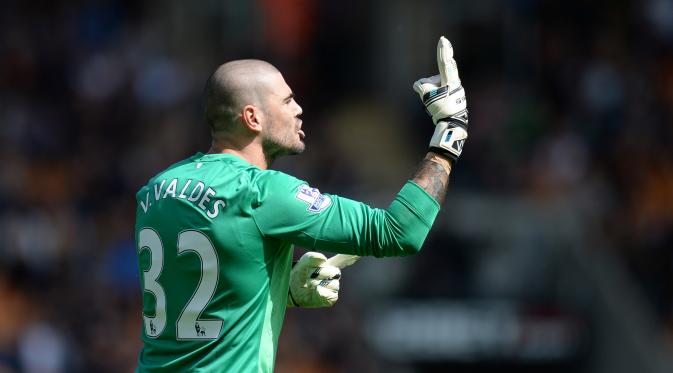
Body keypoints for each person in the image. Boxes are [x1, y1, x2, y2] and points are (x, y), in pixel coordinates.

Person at [134, 36, 468, 372]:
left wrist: (281, 293)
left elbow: (194, 299)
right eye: (288, 100)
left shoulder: (154, 190)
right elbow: (399, 232)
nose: (299, 109)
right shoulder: (260, 192)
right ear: (253, 118)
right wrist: (448, 134)